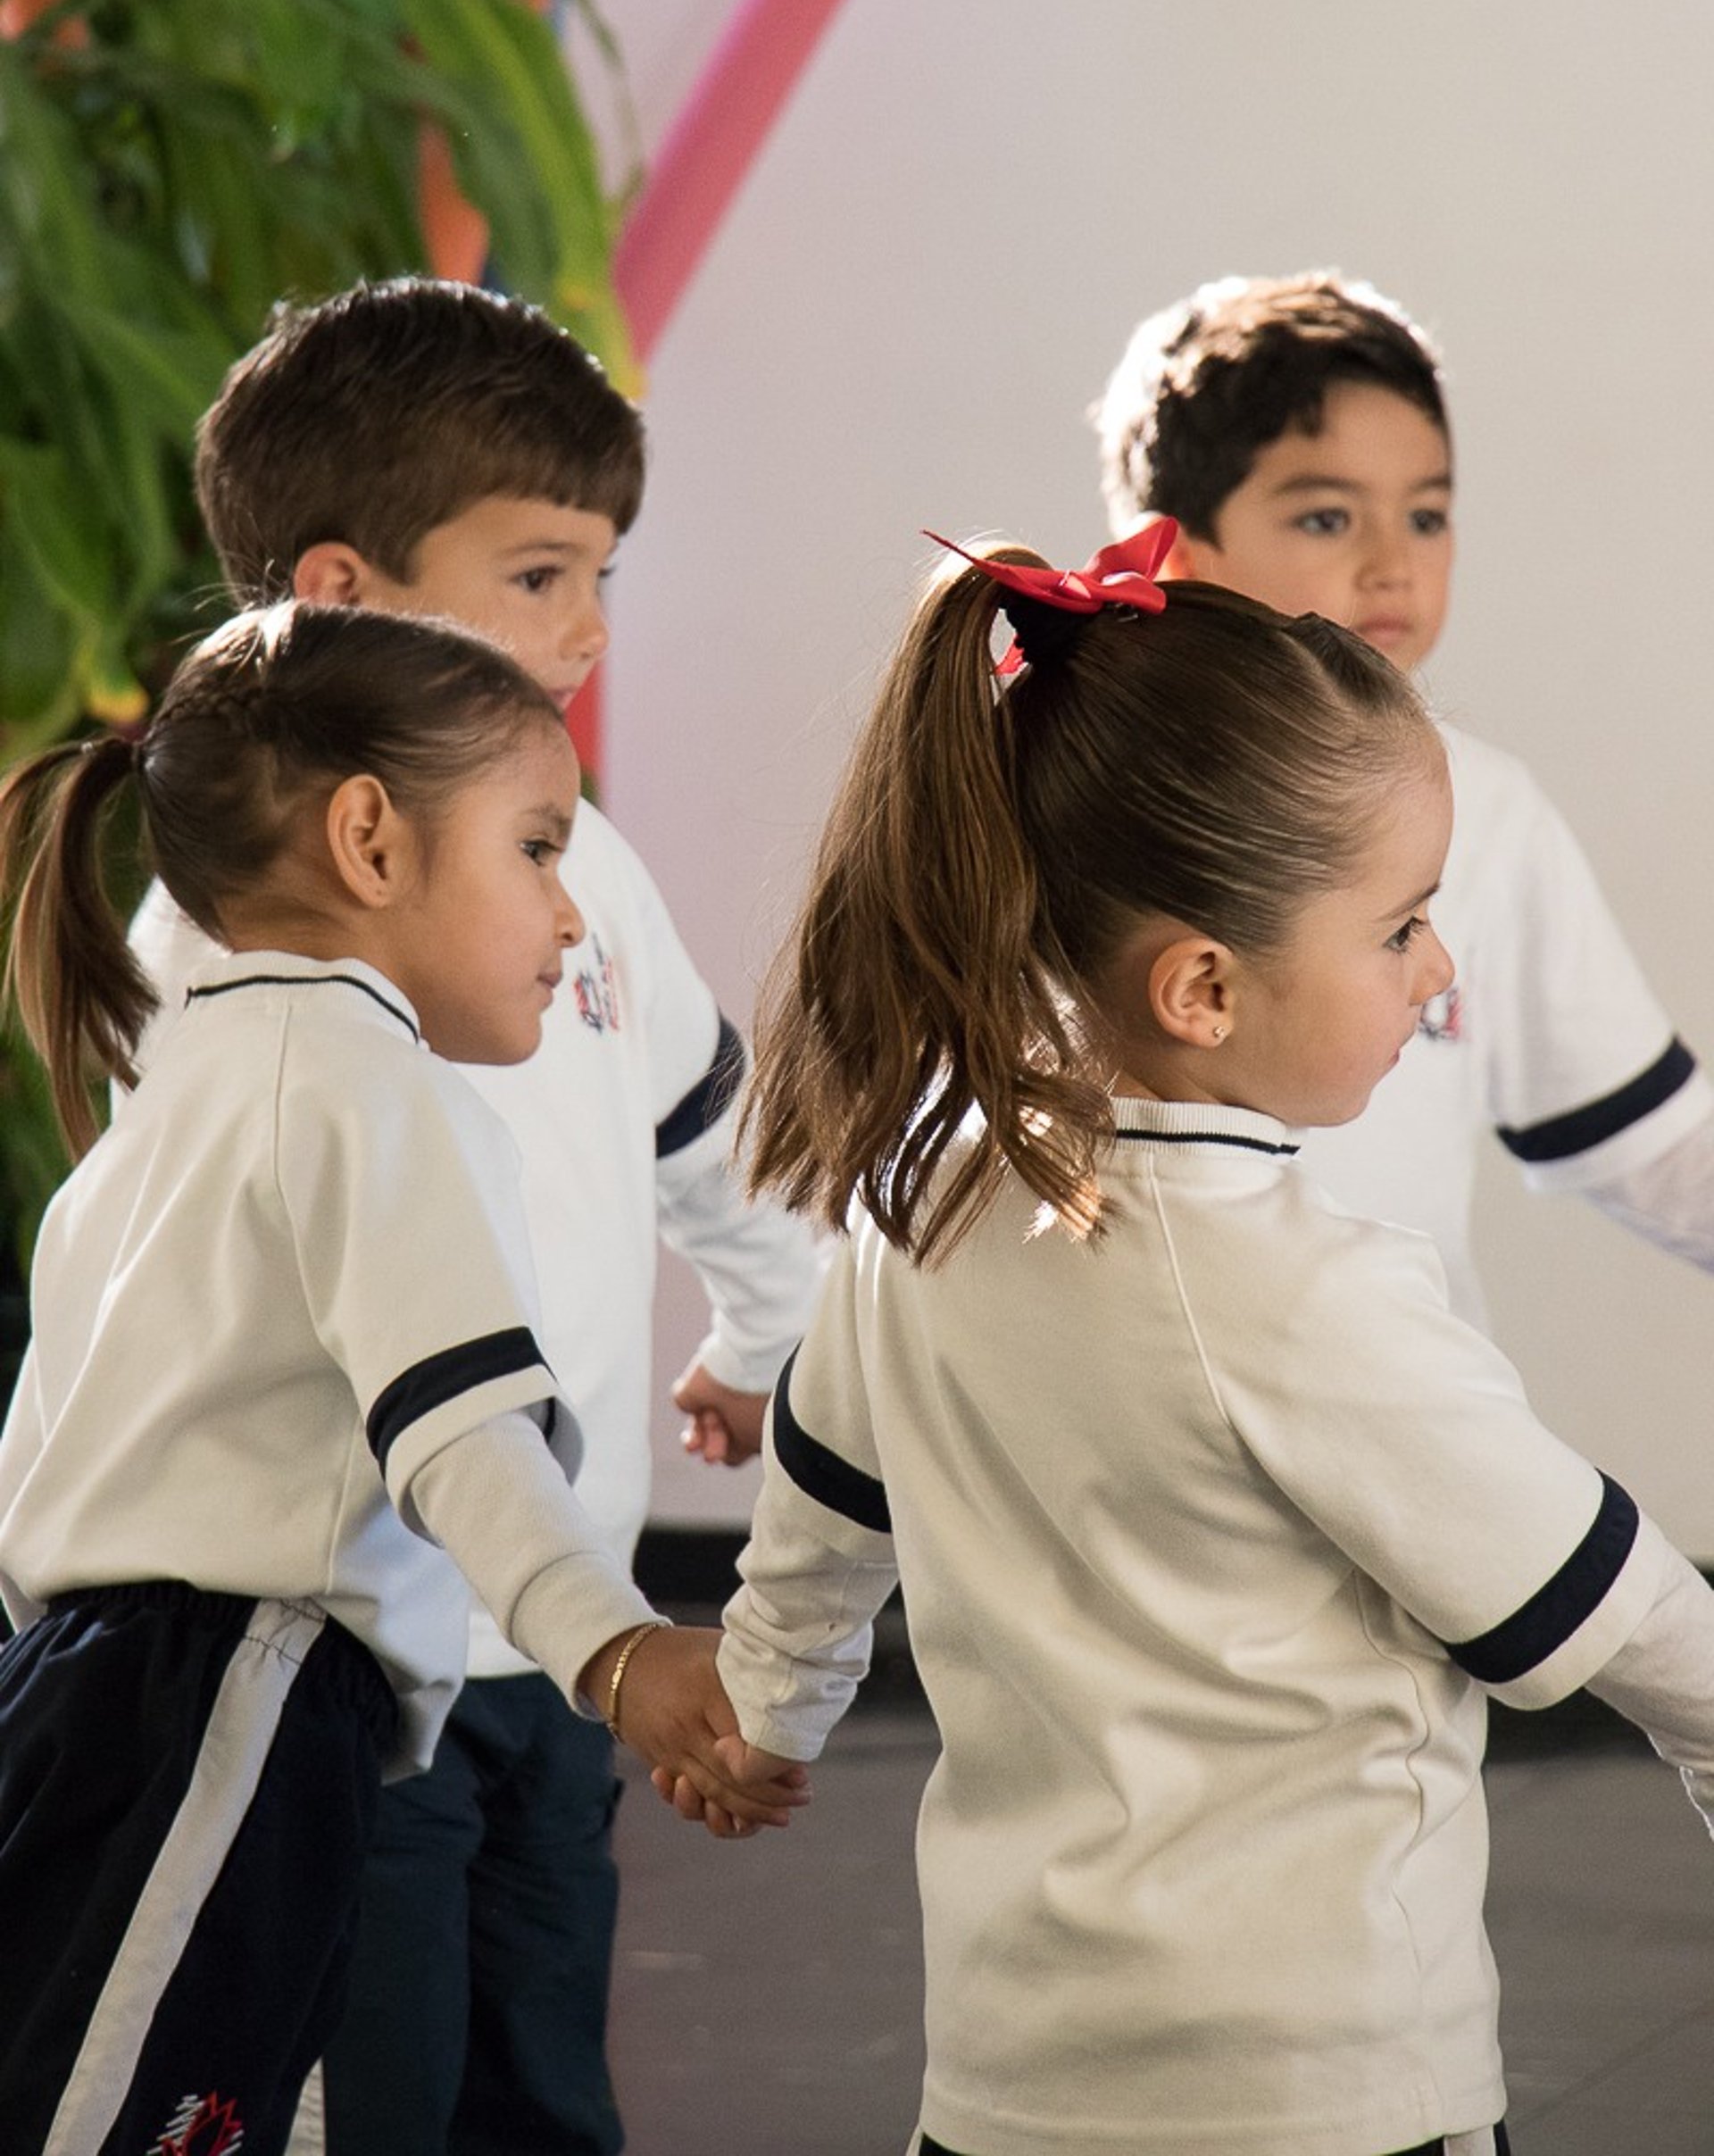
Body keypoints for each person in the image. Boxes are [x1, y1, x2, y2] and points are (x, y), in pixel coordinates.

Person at [702, 522, 1714, 2156]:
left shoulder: (923, 1208)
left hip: (1005, 2091)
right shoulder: (1306, 1295)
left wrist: (765, 1713)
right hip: (1326, 2099)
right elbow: (1636, 1619)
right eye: (1401, 928)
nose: (1439, 972)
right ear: (1201, 990)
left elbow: (821, 1516)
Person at [125, 278, 824, 2156]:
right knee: (375, 2091)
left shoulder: (585, 859)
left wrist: (763, 1333)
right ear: (342, 593)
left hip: (552, 1635)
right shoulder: (236, 943)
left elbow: (707, 1126)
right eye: (538, 574)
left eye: (603, 573)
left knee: (543, 2090)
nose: (590, 628)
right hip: (352, 1655)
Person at [1090, 271, 1714, 1328]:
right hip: (1117, 1430)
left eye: (1426, 515)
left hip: (1404, 1434)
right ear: (1176, 552)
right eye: (1328, 516)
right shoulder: (1064, 786)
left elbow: (1651, 1144)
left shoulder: (1490, 810)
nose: (1393, 565)